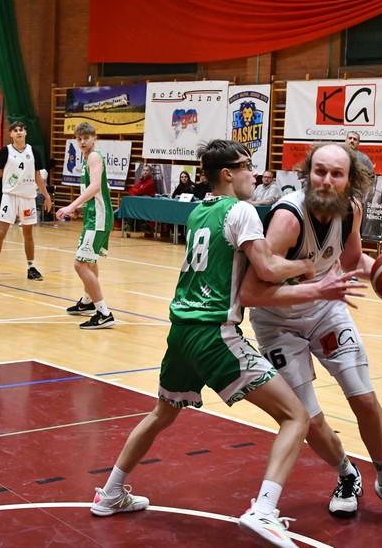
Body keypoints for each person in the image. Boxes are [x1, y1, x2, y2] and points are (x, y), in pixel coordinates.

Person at [90, 139, 355, 548]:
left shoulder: (199, 211)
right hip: (215, 332)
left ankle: (110, 493)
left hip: (180, 331)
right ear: (228, 174)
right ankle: (264, 510)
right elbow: (265, 268)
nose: (254, 172)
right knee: (296, 417)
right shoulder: (242, 210)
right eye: (246, 166)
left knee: (162, 414)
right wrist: (313, 267)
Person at [243, 143, 382, 525]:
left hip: (326, 310)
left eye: (336, 174)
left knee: (363, 397)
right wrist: (316, 288)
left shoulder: (351, 211)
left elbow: (349, 261)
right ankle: (346, 474)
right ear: (308, 173)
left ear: (350, 182)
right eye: (320, 171)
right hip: (277, 321)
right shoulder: (288, 219)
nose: (326, 180)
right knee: (307, 418)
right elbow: (250, 292)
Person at [55, 123, 118, 329]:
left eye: (86, 138)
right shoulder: (86, 158)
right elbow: (95, 193)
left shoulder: (94, 156)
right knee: (89, 262)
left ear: (94, 138)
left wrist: (71, 205)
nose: (82, 141)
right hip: (94, 215)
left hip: (98, 218)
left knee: (80, 263)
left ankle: (104, 313)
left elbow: (95, 186)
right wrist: (79, 207)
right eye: (79, 138)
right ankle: (88, 301)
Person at [0, 120, 52, 283]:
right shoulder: (6, 152)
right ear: (11, 134)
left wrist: (46, 195)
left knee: (28, 234)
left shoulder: (34, 152)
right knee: (1, 233)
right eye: (15, 130)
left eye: (21, 130)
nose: (18, 132)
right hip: (10, 197)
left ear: (25, 133)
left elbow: (38, 177)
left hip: (28, 198)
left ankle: (31, 267)